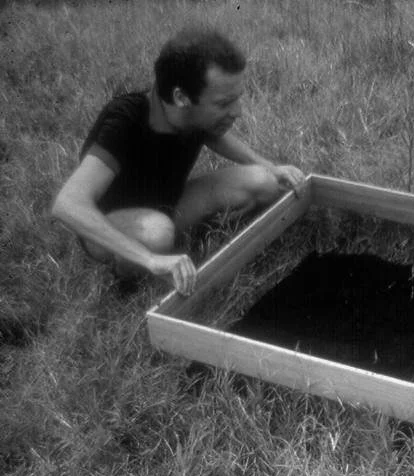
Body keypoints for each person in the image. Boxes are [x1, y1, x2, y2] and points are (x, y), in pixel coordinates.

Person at [52, 27, 304, 296]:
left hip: (167, 204)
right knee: (158, 233)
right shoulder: (125, 120)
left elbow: (213, 134)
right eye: (224, 104)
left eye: (236, 100)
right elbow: (67, 204)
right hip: (112, 225)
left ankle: (190, 242)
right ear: (181, 97)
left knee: (264, 182)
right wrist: (150, 259)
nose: (238, 112)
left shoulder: (191, 115)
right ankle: (127, 272)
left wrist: (270, 166)